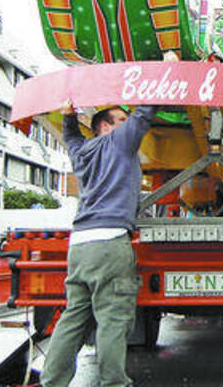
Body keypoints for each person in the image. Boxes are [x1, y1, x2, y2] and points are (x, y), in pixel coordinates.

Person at [41, 52, 175, 387]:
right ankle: (115, 383)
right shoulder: (119, 142)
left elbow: (71, 136)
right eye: (120, 118)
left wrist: (68, 116)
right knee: (113, 320)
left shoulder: (81, 153)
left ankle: (52, 382)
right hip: (108, 244)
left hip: (80, 245)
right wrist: (165, 66)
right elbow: (145, 112)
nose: (126, 121)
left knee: (72, 318)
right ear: (105, 125)